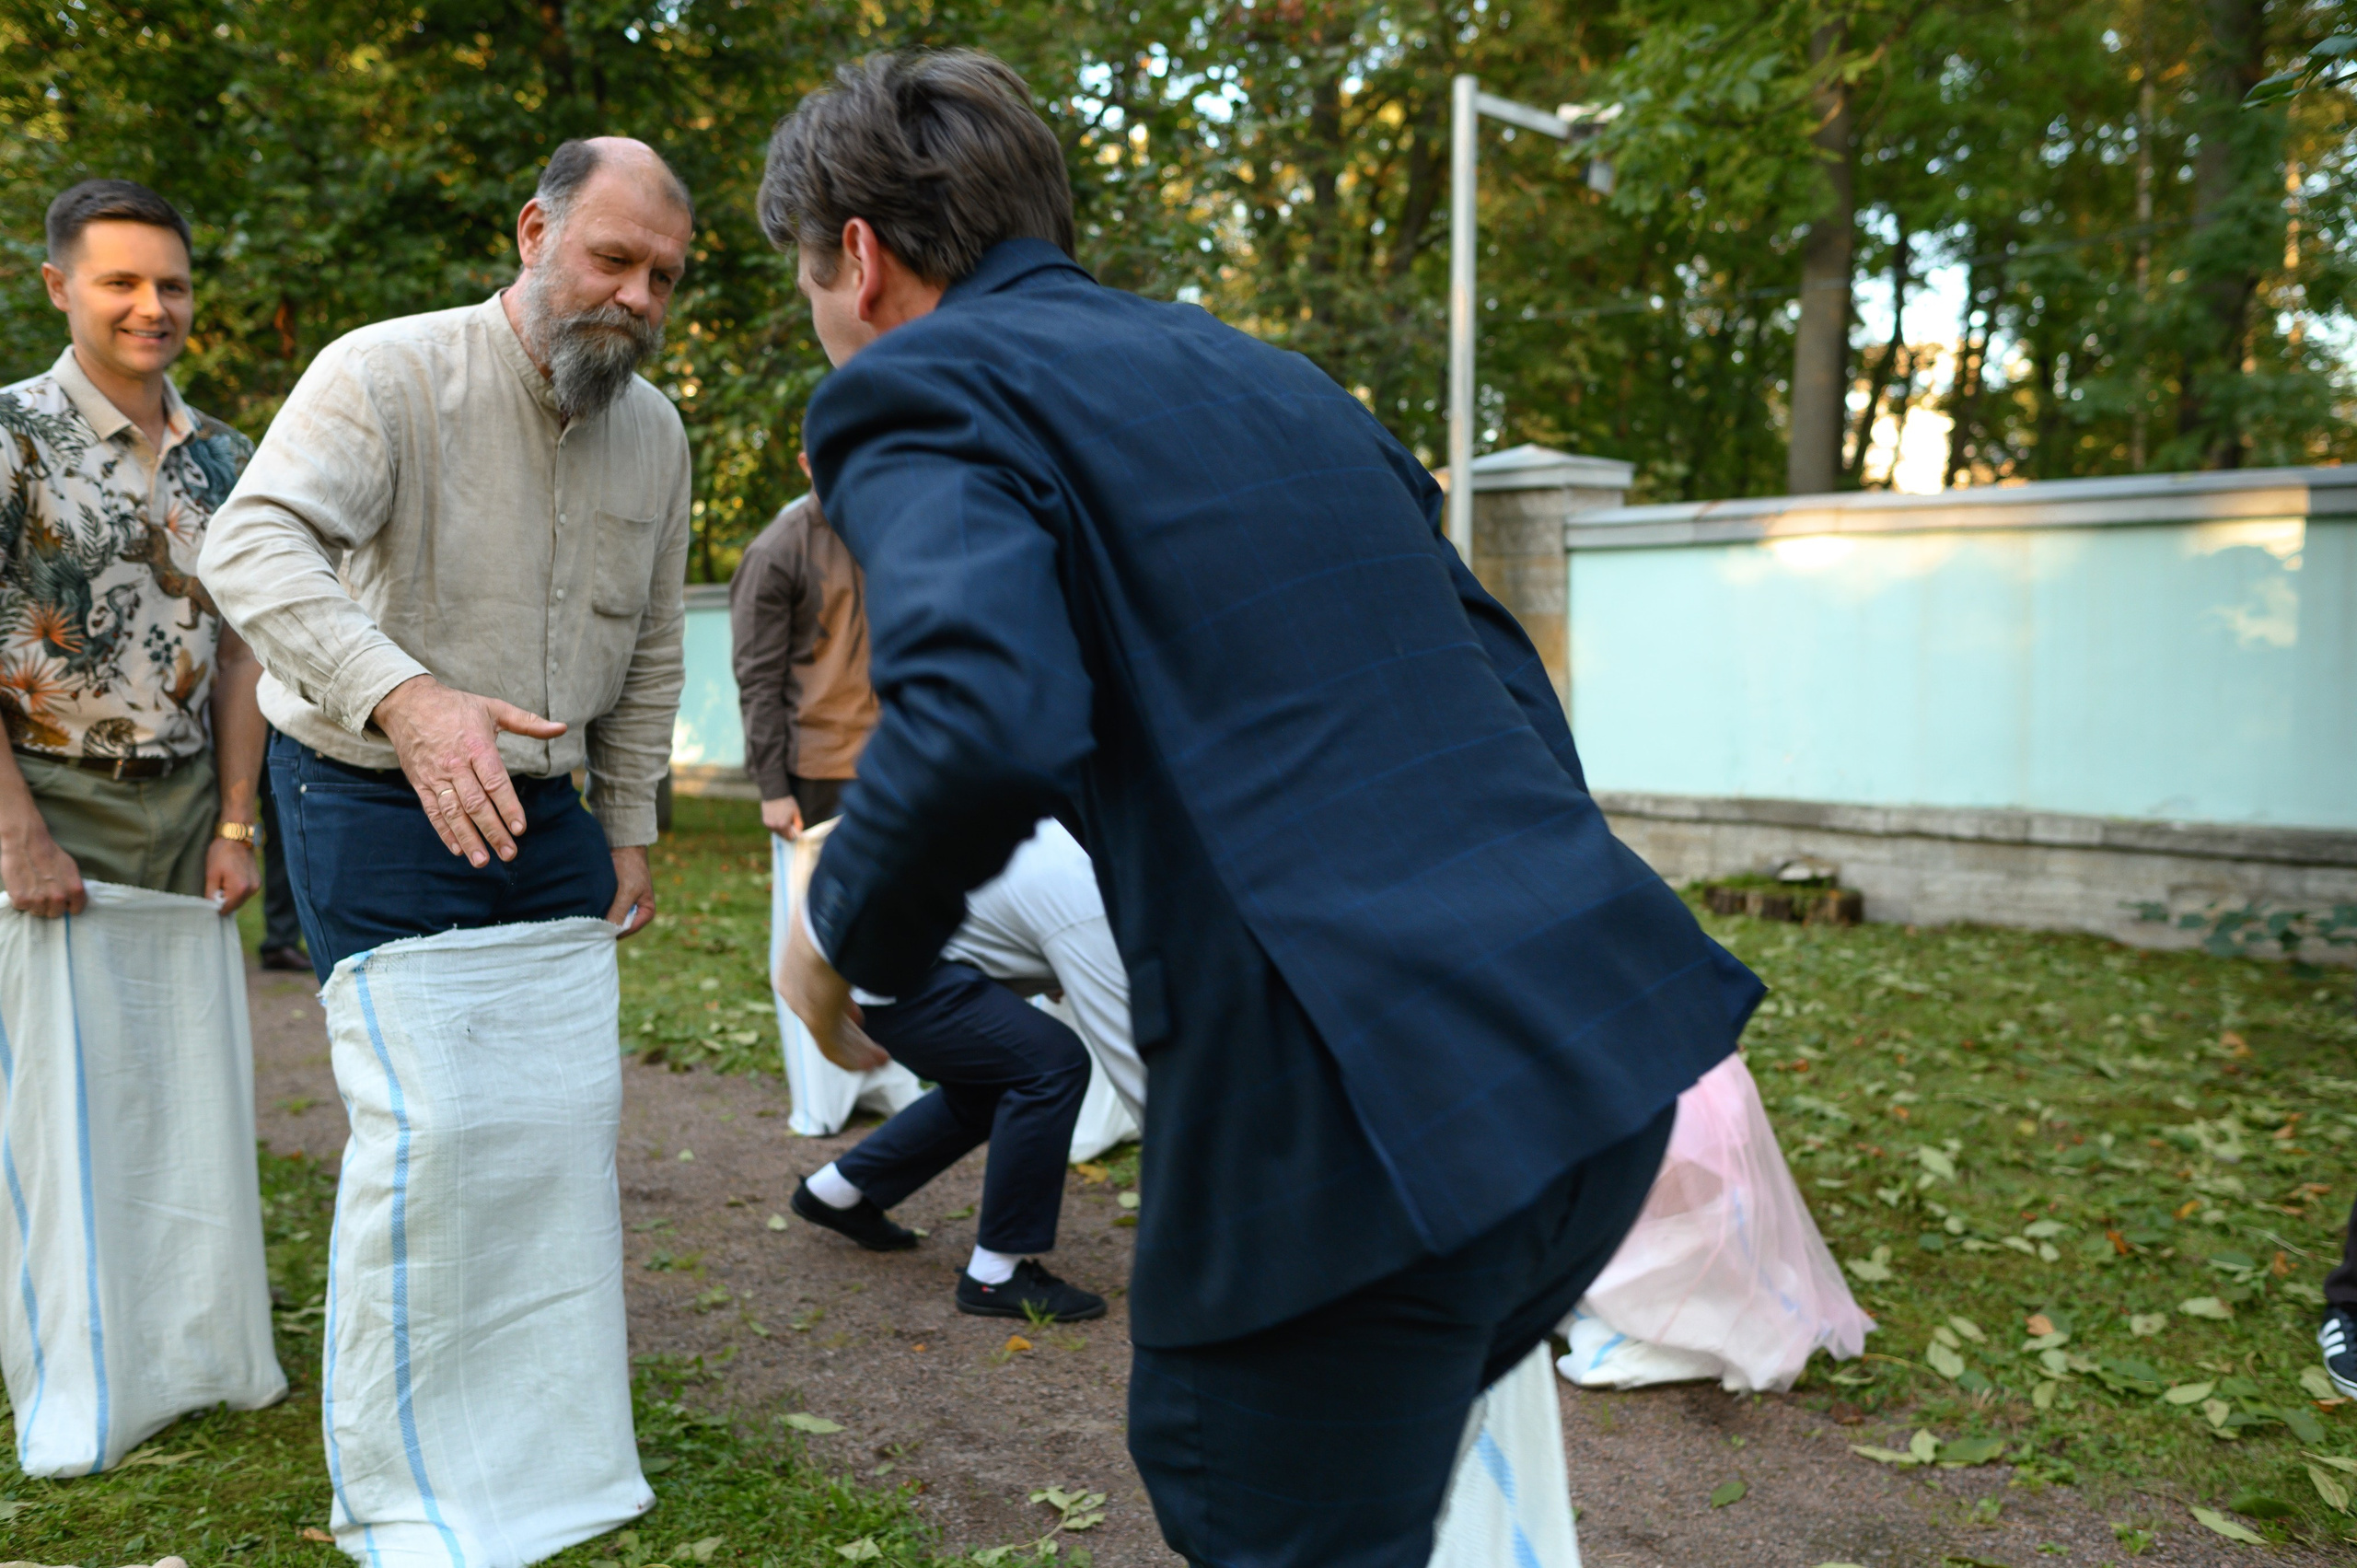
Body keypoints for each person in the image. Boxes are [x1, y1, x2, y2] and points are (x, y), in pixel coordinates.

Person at [761, 51, 1761, 1567]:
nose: (825, 327)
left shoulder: (912, 381)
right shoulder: (1276, 378)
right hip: (1596, 1075)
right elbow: (1514, 696)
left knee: (1247, 1492)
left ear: (860, 255)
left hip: (1365, 1132)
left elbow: (981, 720)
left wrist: (845, 938)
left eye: (808, 286)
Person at [199, 138, 693, 976]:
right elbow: (250, 545)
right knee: (431, 1107)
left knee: (560, 1097)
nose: (638, 297)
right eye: (613, 259)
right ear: (534, 232)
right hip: (369, 799)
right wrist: (408, 700)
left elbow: (651, 645)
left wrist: (626, 828)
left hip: (553, 816)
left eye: (664, 279)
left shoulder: (658, 432)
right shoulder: (385, 372)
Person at [0, 180, 263, 921]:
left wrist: (236, 826)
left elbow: (244, 652)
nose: (153, 307)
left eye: (172, 286)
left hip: (188, 812)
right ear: (59, 286)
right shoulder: (10, 436)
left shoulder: (227, 456)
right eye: (121, 282)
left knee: (185, 1043)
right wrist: (16, 834)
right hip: (47, 805)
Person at [791, 817, 1138, 1322]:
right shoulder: (1087, 895)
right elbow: (1136, 1057)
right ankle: (996, 1274)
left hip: (891, 964)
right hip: (892, 981)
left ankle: (840, 1191)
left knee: (992, 1084)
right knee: (1052, 1066)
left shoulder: (1078, 849)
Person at [730, 463, 877, 841]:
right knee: (820, 900)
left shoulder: (899, 532)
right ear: (806, 462)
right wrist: (773, 789)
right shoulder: (776, 551)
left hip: (899, 762)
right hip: (818, 775)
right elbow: (758, 680)